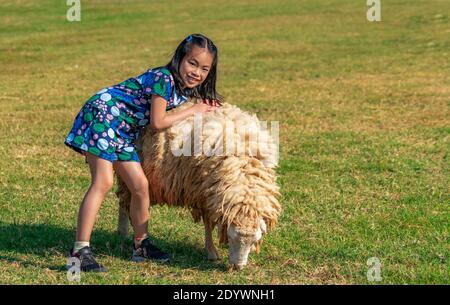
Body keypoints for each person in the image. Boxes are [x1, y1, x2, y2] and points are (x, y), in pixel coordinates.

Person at [64, 33, 223, 272]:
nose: (196, 72)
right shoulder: (164, 79)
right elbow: (158, 122)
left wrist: (206, 106)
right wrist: (194, 112)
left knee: (140, 185)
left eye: (204, 69)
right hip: (103, 115)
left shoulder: (182, 88)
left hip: (122, 130)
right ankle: (79, 251)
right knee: (103, 182)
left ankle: (141, 244)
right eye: (192, 63)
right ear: (179, 57)